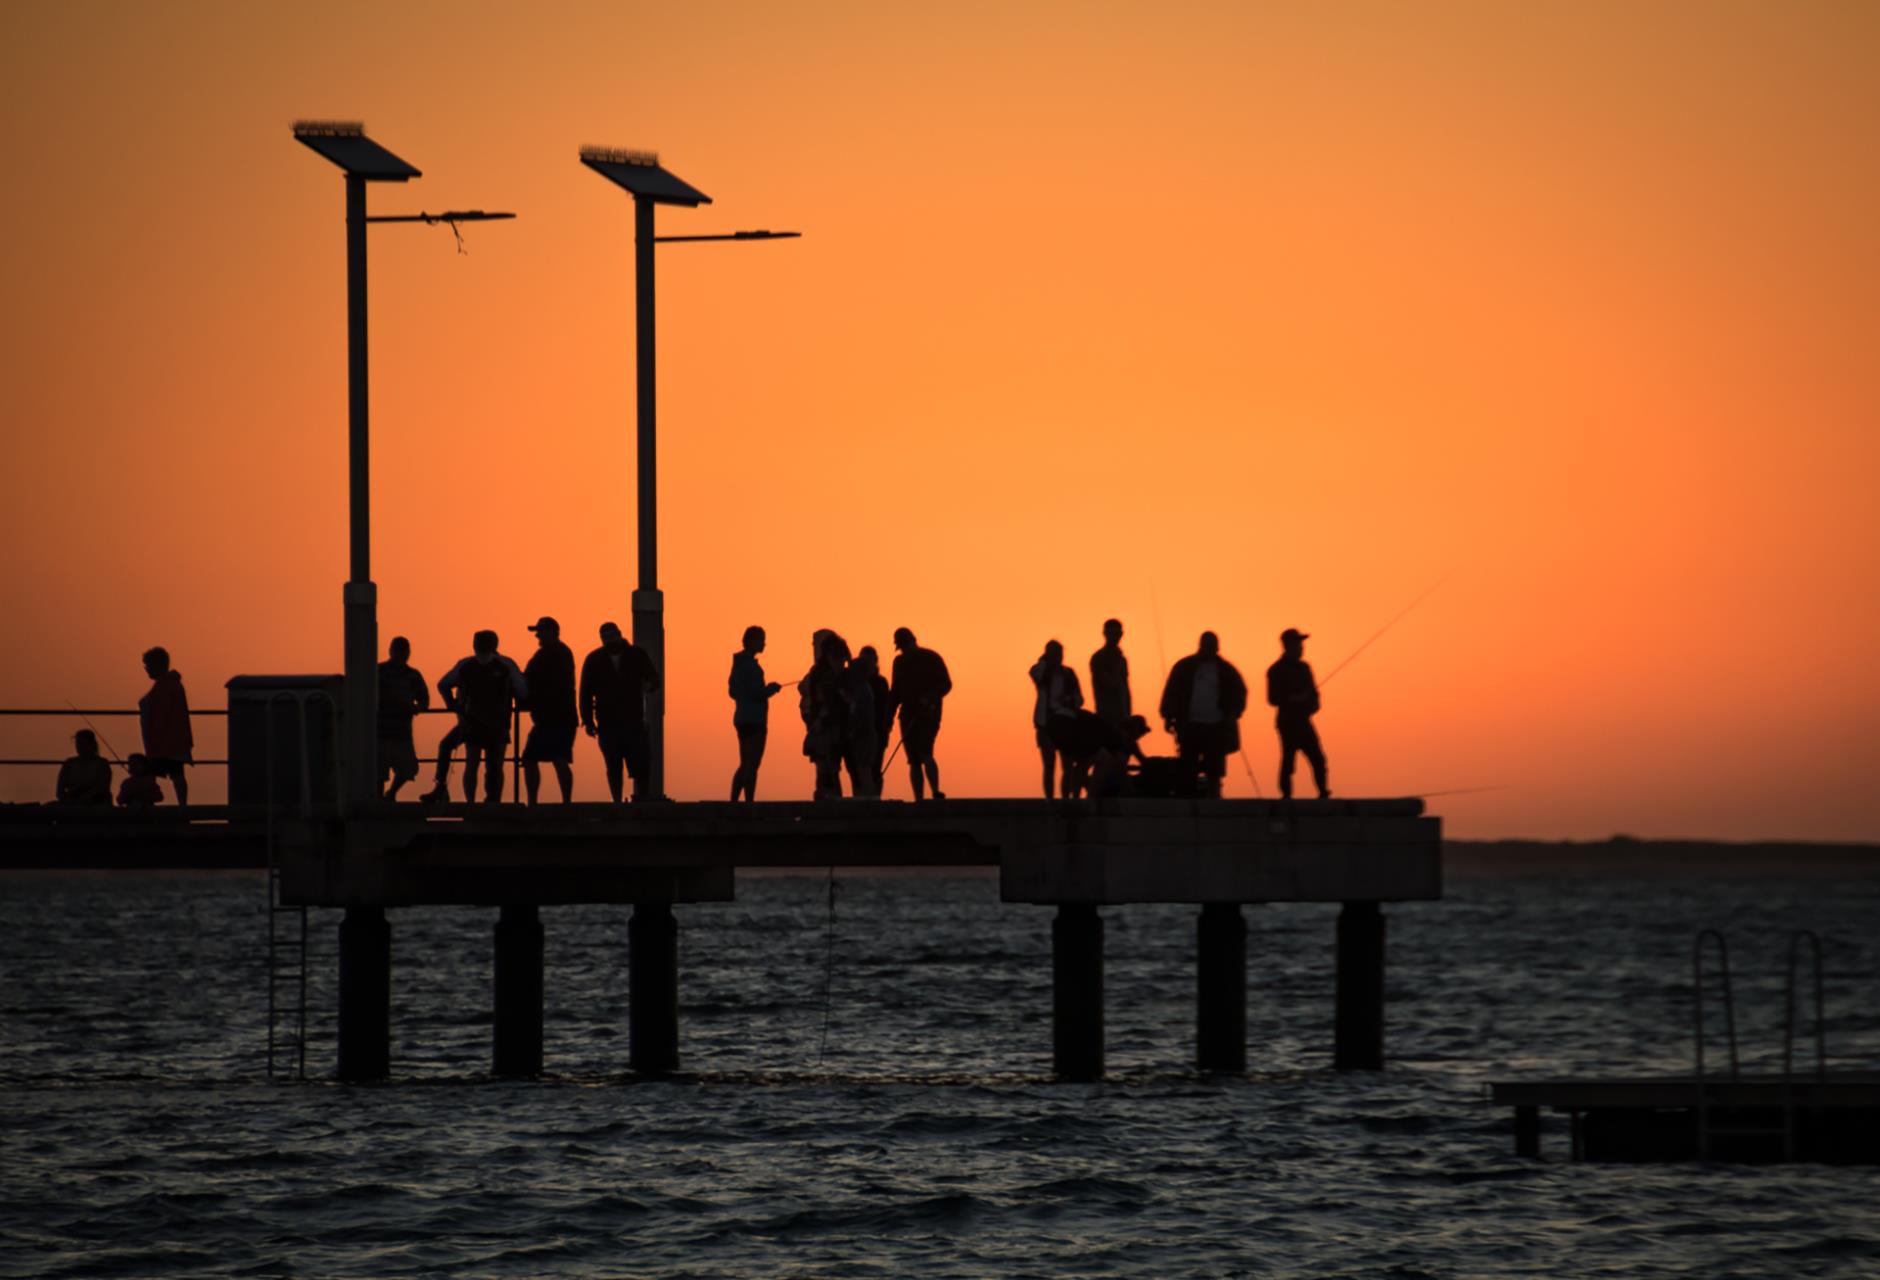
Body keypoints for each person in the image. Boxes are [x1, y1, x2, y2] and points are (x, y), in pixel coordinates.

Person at [427, 630, 528, 804]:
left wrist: (453, 706)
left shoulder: (466, 665)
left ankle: (465, 800)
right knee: (494, 766)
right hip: (496, 724)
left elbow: (443, 684)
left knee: (472, 763)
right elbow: (522, 691)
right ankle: (492, 801)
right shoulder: (506, 665)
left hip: (472, 722)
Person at [1158, 631, 1248, 798]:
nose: (1210, 650)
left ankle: (1214, 800)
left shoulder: (1226, 670)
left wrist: (1232, 714)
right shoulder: (1184, 667)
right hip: (1190, 725)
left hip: (1216, 727)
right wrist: (1168, 716)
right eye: (1207, 646)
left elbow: (1240, 692)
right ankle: (1187, 802)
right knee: (1188, 768)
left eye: (1212, 646)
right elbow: (1172, 691)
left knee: (1214, 770)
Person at [580, 621, 659, 803]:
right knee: (613, 764)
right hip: (608, 723)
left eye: (611, 636)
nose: (609, 640)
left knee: (641, 762)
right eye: (605, 637)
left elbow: (653, 677)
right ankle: (617, 801)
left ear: (619, 634)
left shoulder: (637, 655)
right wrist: (588, 721)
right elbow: (585, 692)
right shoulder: (594, 659)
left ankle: (642, 798)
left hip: (634, 721)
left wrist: (650, 685)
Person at [887, 627, 952, 801]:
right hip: (908, 715)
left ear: (911, 641)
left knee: (925, 753)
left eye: (903, 645)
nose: (903, 649)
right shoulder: (899, 662)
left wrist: (928, 699)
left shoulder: (931, 658)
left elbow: (946, 684)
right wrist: (889, 716)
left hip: (928, 714)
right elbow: (895, 692)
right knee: (914, 760)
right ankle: (919, 799)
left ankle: (935, 791)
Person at [1267, 628, 1330, 799]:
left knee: (1318, 759)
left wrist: (1311, 703)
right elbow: (1272, 698)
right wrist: (1293, 698)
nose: (1302, 647)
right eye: (1298, 644)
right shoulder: (1276, 670)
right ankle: (1286, 796)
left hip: (1304, 721)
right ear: (1288, 646)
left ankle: (1323, 792)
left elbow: (1314, 695)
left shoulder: (1305, 668)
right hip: (1287, 723)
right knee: (1288, 762)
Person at [521, 616, 578, 805]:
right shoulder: (546, 654)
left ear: (553, 632)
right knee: (531, 758)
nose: (538, 635)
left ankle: (565, 802)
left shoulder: (558, 653)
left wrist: (529, 696)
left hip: (559, 718)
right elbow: (529, 678)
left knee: (558, 758)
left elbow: (542, 682)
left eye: (541, 631)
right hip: (547, 719)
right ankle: (534, 802)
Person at [728, 625, 781, 802]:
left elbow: (733, 692)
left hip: (742, 718)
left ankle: (734, 802)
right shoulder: (749, 665)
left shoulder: (739, 663)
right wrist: (770, 689)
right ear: (750, 641)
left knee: (745, 764)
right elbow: (755, 693)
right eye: (761, 639)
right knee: (752, 764)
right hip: (755, 720)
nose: (764, 643)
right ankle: (749, 803)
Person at [1029, 640, 1085, 798]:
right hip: (1045, 724)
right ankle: (1050, 802)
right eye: (1053, 654)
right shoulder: (1041, 671)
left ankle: (1065, 800)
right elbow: (1035, 674)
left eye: (1059, 654)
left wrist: (1070, 701)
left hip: (1066, 724)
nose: (1057, 657)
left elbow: (1080, 698)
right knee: (1049, 766)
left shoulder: (1069, 673)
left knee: (1067, 766)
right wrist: (1043, 661)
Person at [138, 646, 192, 806]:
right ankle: (183, 806)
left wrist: (155, 739)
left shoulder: (165, 686)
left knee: (154, 773)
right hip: (174, 740)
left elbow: (161, 714)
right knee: (177, 774)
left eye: (148, 665)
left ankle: (148, 805)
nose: (146, 669)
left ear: (158, 664)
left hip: (164, 741)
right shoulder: (171, 684)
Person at [799, 630, 850, 800]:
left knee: (825, 766)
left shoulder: (817, 672)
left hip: (821, 724)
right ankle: (831, 798)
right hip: (828, 725)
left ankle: (824, 797)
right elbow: (828, 701)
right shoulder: (828, 675)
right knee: (830, 766)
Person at [1052, 712, 1151, 799]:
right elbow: (1129, 765)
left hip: (1103, 781)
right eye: (1141, 732)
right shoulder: (1127, 742)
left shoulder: (1108, 738)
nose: (1141, 736)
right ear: (1135, 730)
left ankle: (1080, 798)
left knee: (1080, 769)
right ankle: (1087, 798)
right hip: (1112, 783)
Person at [378, 636, 429, 800]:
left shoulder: (413, 675)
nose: (402, 654)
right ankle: (378, 800)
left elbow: (424, 698)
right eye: (399, 650)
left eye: (405, 651)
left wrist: (417, 707)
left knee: (408, 768)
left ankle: (391, 793)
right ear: (391, 651)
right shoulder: (379, 671)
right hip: (380, 730)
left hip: (402, 731)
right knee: (378, 770)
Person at [843, 646, 882, 798]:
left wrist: (853, 729)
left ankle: (869, 800)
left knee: (864, 769)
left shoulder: (863, 690)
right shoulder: (861, 689)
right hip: (863, 734)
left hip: (864, 735)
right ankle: (867, 798)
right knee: (862, 769)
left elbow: (861, 714)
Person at [857, 645, 894, 794]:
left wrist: (887, 725)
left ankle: (875, 798)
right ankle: (865, 796)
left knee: (876, 768)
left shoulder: (880, 682)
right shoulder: (857, 682)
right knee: (861, 767)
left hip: (878, 730)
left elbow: (887, 705)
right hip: (861, 731)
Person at [1089, 618, 1133, 728]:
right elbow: (1110, 683)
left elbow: (1125, 687)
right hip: (1106, 715)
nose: (1115, 637)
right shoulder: (1099, 658)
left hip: (1123, 715)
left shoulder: (1121, 659)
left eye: (1117, 633)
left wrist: (1128, 712)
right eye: (1112, 633)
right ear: (1105, 634)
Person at [56, 729, 113, 805]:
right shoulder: (69, 763)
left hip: (96, 802)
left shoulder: (102, 764)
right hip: (72, 800)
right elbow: (60, 790)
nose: (79, 747)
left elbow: (102, 787)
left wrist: (84, 799)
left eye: (83, 744)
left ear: (91, 745)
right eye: (78, 744)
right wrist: (67, 800)